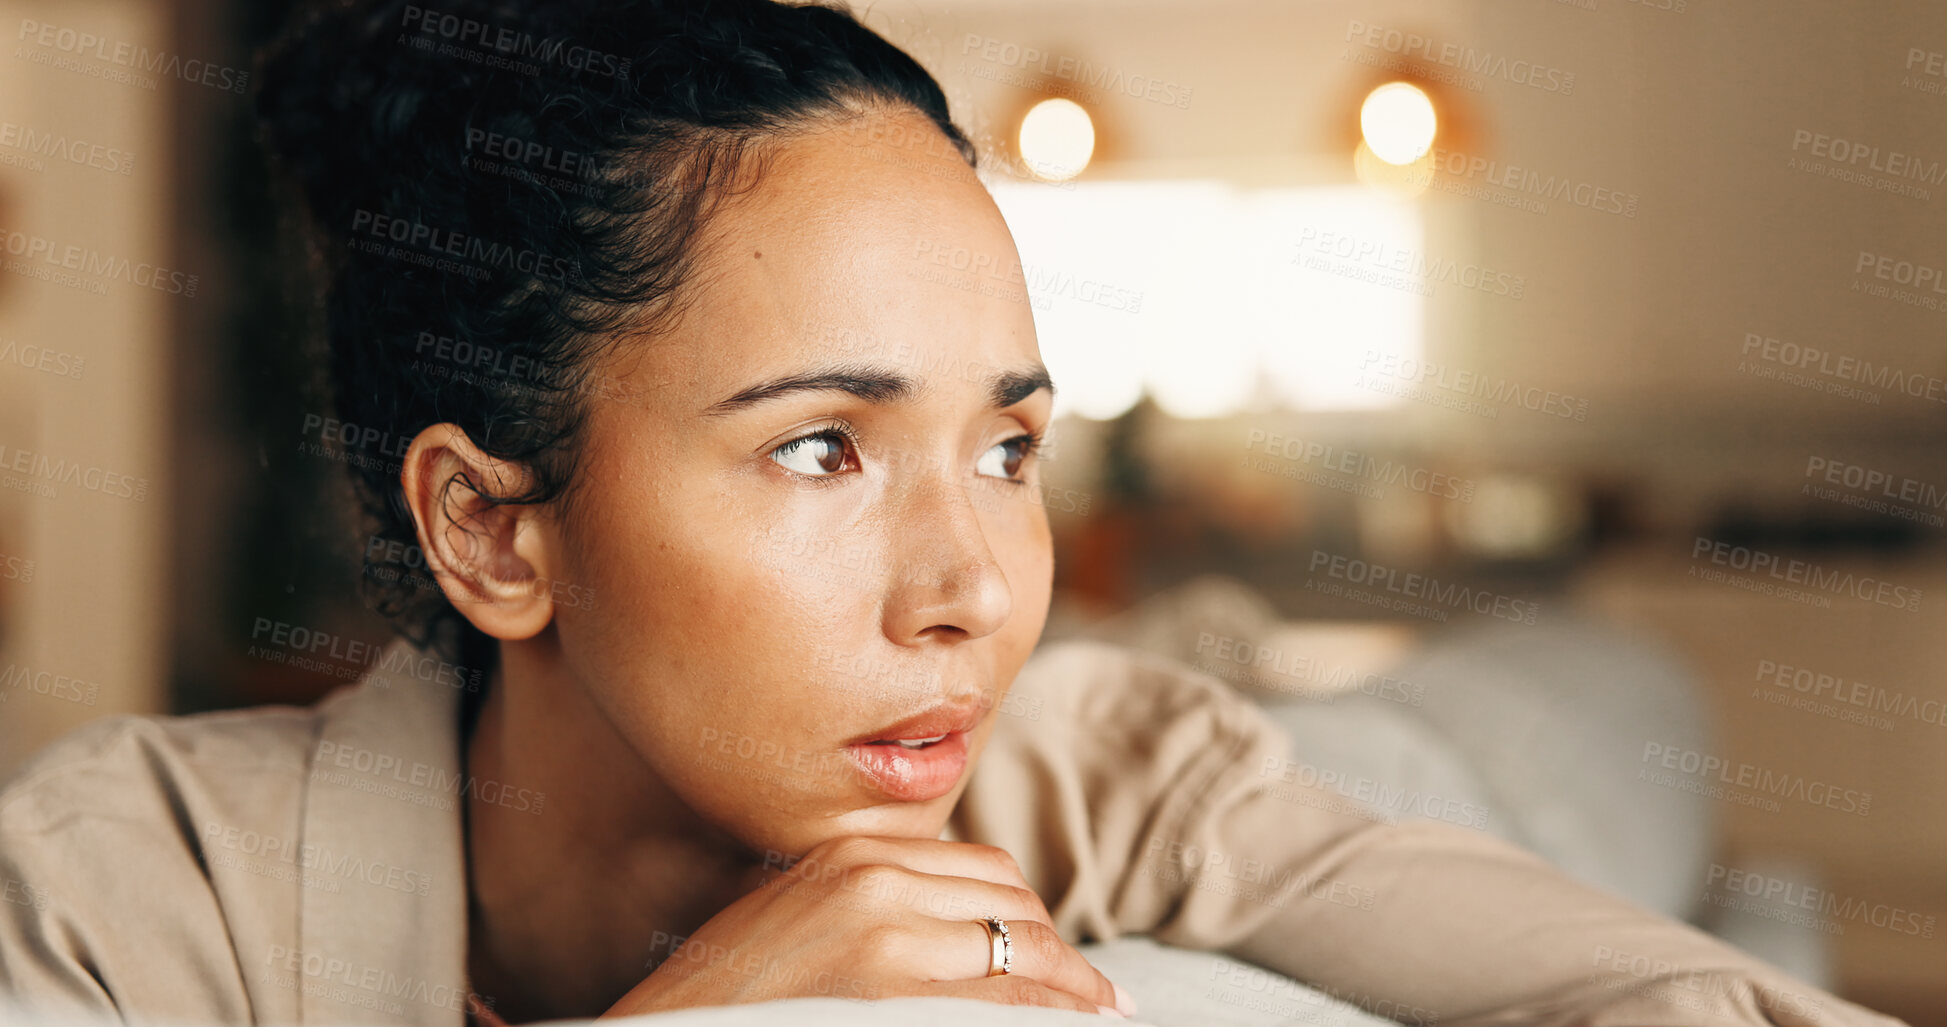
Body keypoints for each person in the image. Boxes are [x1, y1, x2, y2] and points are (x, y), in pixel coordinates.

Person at [0, 1, 1910, 1024]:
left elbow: (1674, 1003)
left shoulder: (1111, 774)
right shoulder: (114, 898)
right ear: (495, 531)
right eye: (823, 447)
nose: (979, 593)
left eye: (1006, 447)